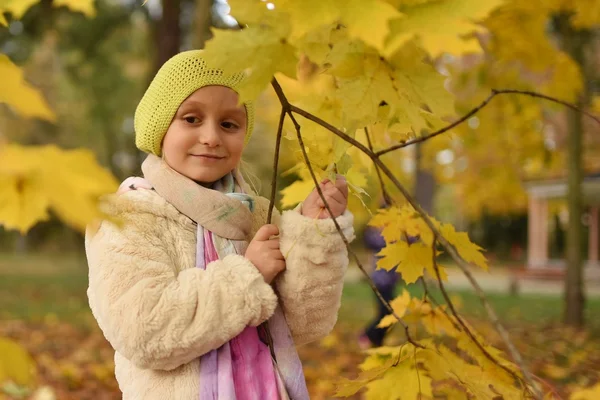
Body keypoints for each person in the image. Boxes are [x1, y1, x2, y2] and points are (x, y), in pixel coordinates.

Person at [85, 50, 355, 400]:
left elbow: (305, 323)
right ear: (160, 127)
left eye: (229, 124)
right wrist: (248, 273)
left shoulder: (258, 215)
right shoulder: (128, 215)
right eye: (192, 119)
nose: (212, 136)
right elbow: (144, 331)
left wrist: (315, 232)